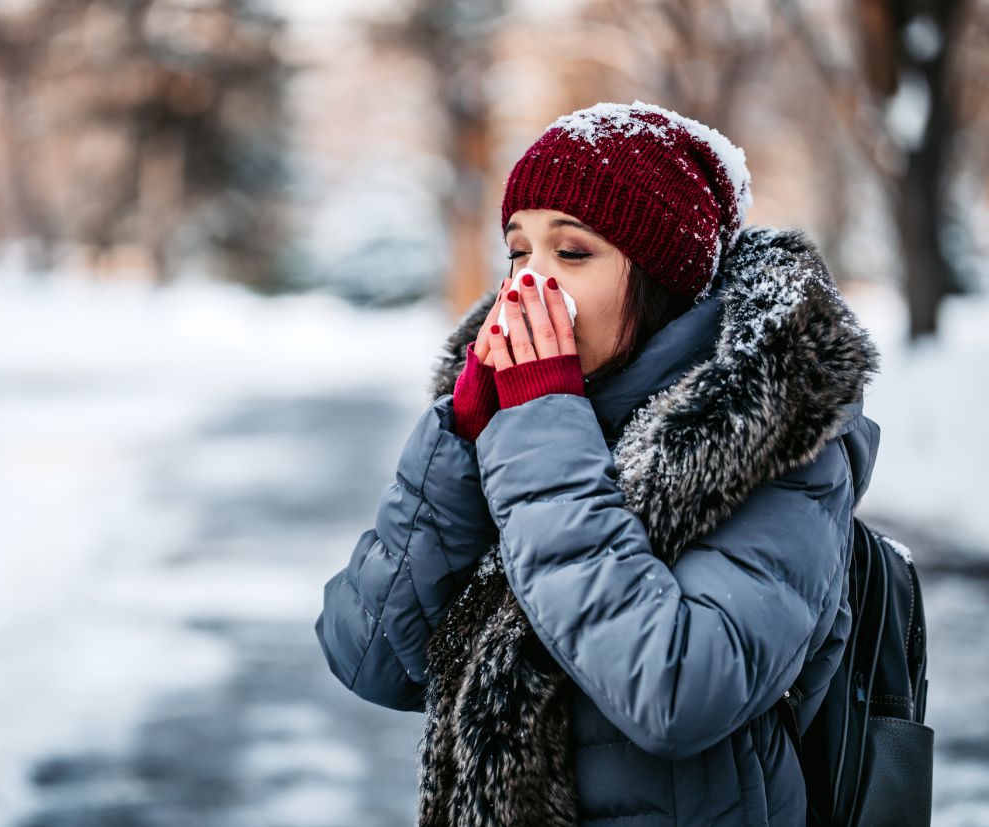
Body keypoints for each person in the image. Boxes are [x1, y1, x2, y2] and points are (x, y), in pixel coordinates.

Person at [313, 101, 883, 825]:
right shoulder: (516, 424)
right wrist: (460, 437)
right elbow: (369, 656)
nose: (527, 284)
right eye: (519, 252)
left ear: (659, 279)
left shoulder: (766, 439)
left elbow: (677, 689)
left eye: (572, 253)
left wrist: (542, 430)